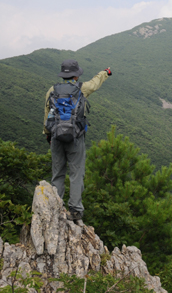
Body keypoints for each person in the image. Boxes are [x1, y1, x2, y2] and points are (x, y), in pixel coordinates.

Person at [44, 59, 112, 223]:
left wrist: (48, 134)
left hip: (56, 138)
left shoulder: (52, 91)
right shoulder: (81, 89)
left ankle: (55, 208)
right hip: (76, 138)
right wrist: (105, 73)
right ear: (75, 75)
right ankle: (75, 210)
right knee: (76, 174)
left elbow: (47, 115)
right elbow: (95, 84)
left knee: (58, 174)